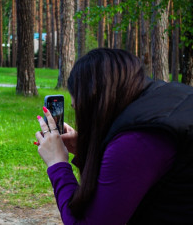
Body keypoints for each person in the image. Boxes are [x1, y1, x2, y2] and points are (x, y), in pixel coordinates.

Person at [35, 48, 193, 224]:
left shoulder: (137, 140)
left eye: (77, 107)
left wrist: (57, 164)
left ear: (94, 102)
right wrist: (86, 148)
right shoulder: (170, 96)